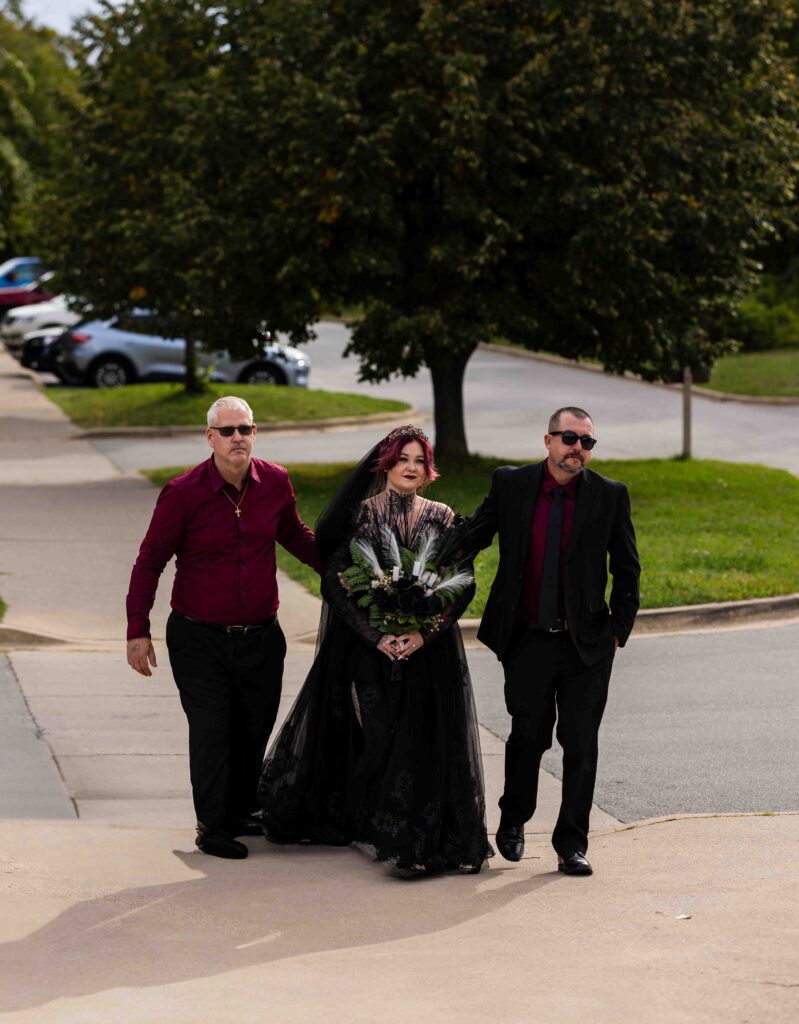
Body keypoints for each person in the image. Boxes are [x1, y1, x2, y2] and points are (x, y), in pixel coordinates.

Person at [258, 425, 493, 878]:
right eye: (402, 459)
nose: (410, 467)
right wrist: (377, 635)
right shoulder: (360, 516)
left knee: (421, 736)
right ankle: (374, 820)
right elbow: (337, 584)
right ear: (385, 465)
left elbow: (462, 583)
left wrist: (424, 632)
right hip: (368, 649)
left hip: (428, 649)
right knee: (380, 733)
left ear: (428, 470)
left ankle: (409, 835)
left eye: (419, 460)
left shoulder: (442, 517)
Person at [126, 396, 321, 860]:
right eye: (228, 430)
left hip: (261, 634)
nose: (238, 438)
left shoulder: (275, 481)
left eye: (246, 429)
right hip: (198, 637)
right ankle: (211, 825)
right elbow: (150, 561)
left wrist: (341, 575)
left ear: (256, 434)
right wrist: (138, 628)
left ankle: (238, 810)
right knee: (212, 729)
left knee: (253, 728)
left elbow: (294, 535)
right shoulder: (183, 492)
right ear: (209, 437)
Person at [468, 406, 640, 876]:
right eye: (569, 438)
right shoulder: (512, 485)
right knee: (528, 735)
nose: (578, 449)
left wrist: (617, 633)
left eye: (587, 442)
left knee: (581, 743)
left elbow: (627, 569)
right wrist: (422, 551)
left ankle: (571, 844)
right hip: (526, 639)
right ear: (547, 440)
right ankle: (514, 820)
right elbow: (476, 535)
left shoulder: (609, 496)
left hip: (586, 646)